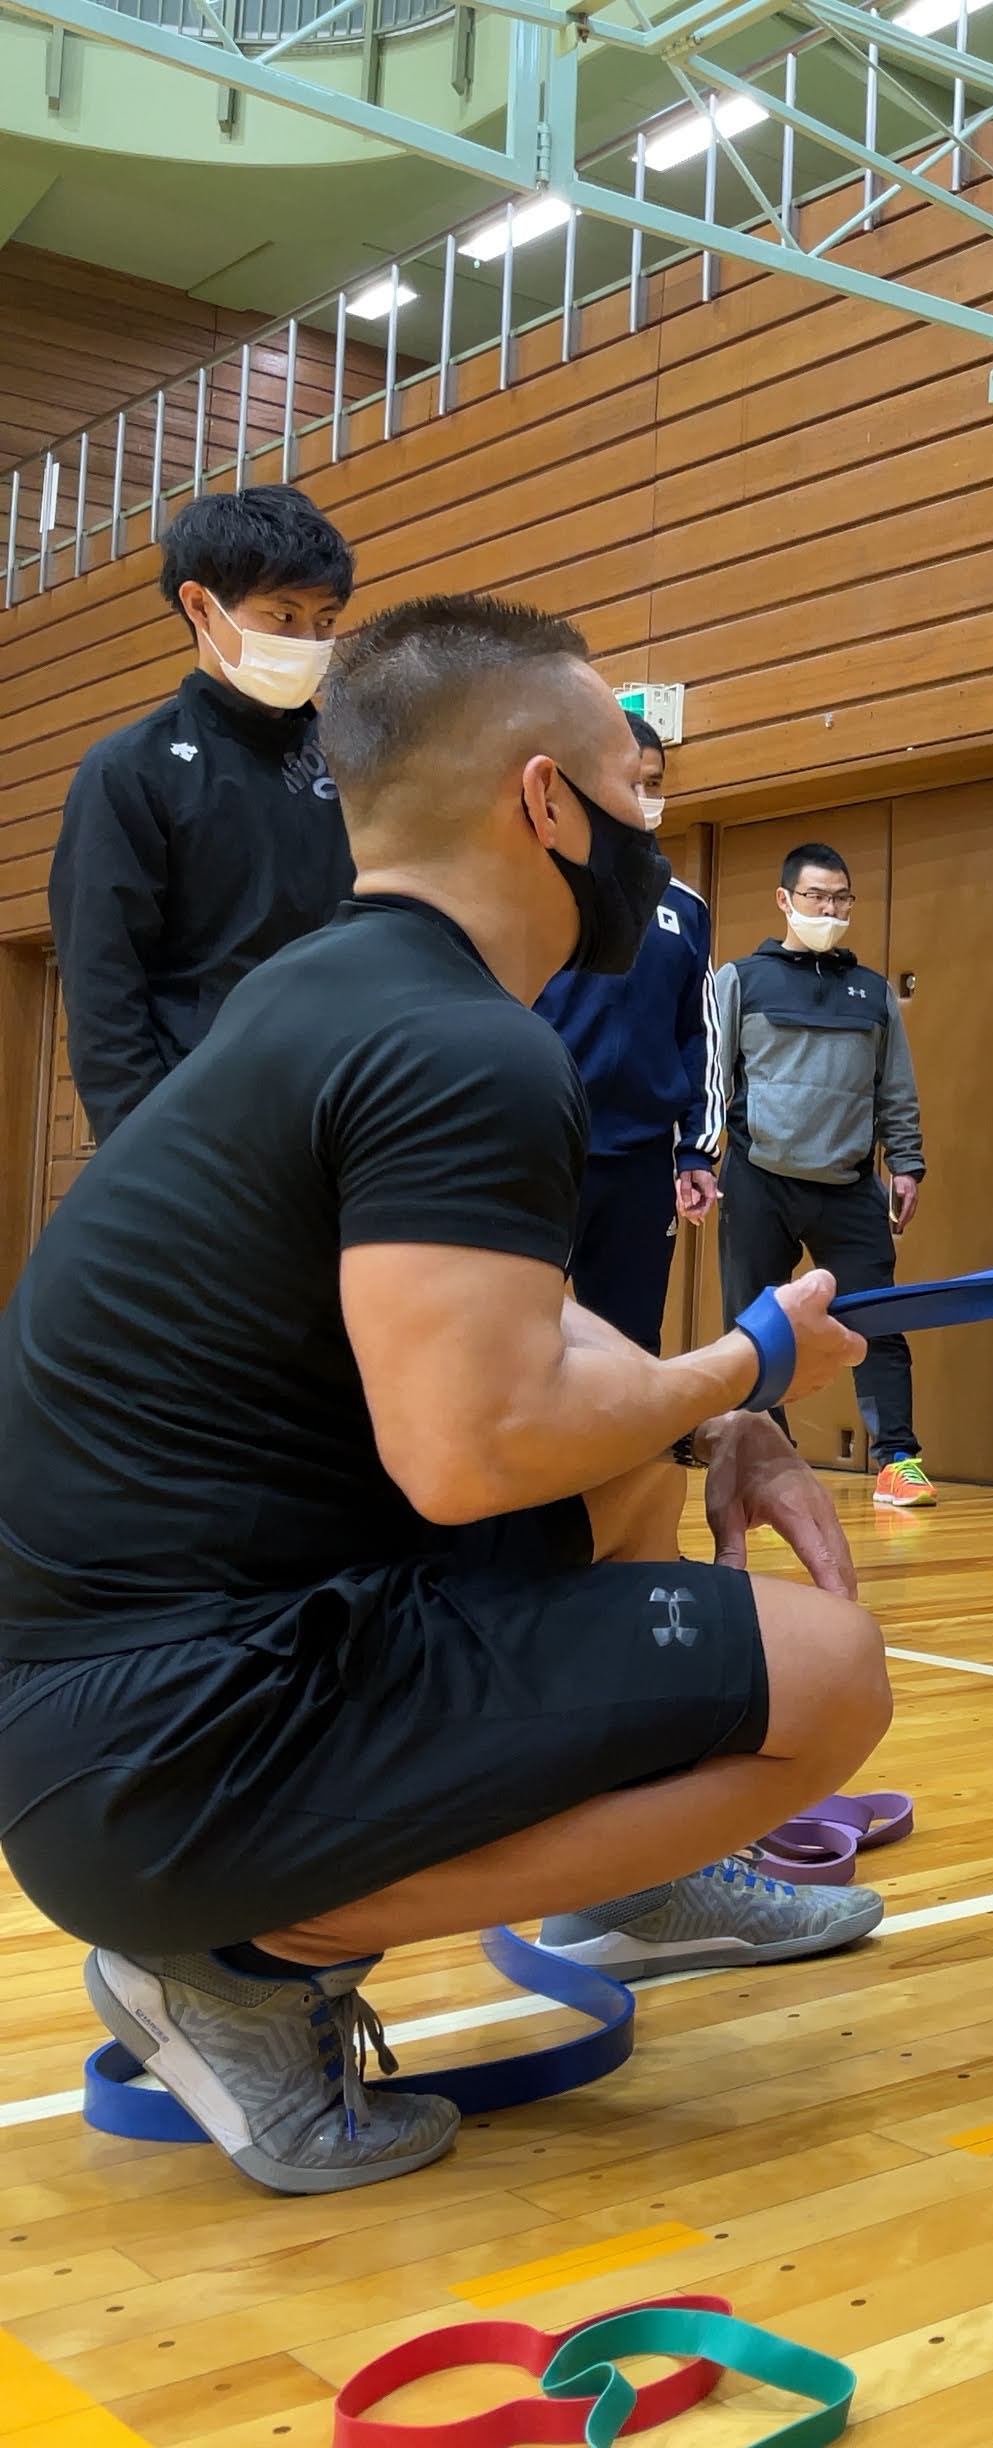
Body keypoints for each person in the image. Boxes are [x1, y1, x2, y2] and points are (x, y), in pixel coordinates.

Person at [0, 594, 896, 2196]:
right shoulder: (465, 1049)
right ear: (545, 802)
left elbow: (539, 1342)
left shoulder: (328, 990)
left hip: (107, 1723)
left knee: (624, 1447)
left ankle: (626, 1886)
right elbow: (470, 1456)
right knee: (830, 1678)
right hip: (173, 1766)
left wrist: (710, 1418)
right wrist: (756, 1358)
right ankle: (240, 1966)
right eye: (633, 788)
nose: (650, 828)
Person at [49, 485, 358, 1143]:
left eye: (326, 621)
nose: (308, 641)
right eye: (283, 616)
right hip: (206, 1135)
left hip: (350, 1114)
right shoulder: (130, 770)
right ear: (200, 606)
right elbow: (105, 996)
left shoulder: (358, 760)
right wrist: (145, 1157)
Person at [697, 845, 935, 1509]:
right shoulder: (740, 980)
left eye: (840, 898)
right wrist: (698, 1158)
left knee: (879, 1322)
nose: (829, 909)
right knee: (755, 1328)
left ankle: (898, 1462)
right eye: (816, 897)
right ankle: (767, 1460)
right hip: (759, 1180)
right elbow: (710, 1080)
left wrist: (906, 1162)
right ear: (785, 900)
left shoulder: (873, 992)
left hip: (850, 1185)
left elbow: (895, 1087)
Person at [533, 714, 715, 1351]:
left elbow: (699, 1034)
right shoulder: (540, 885)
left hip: (642, 1163)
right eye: (628, 780)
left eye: (654, 782)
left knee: (632, 1344)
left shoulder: (687, 910)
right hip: (545, 1145)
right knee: (520, 1332)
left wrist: (697, 1150)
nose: (643, 795)